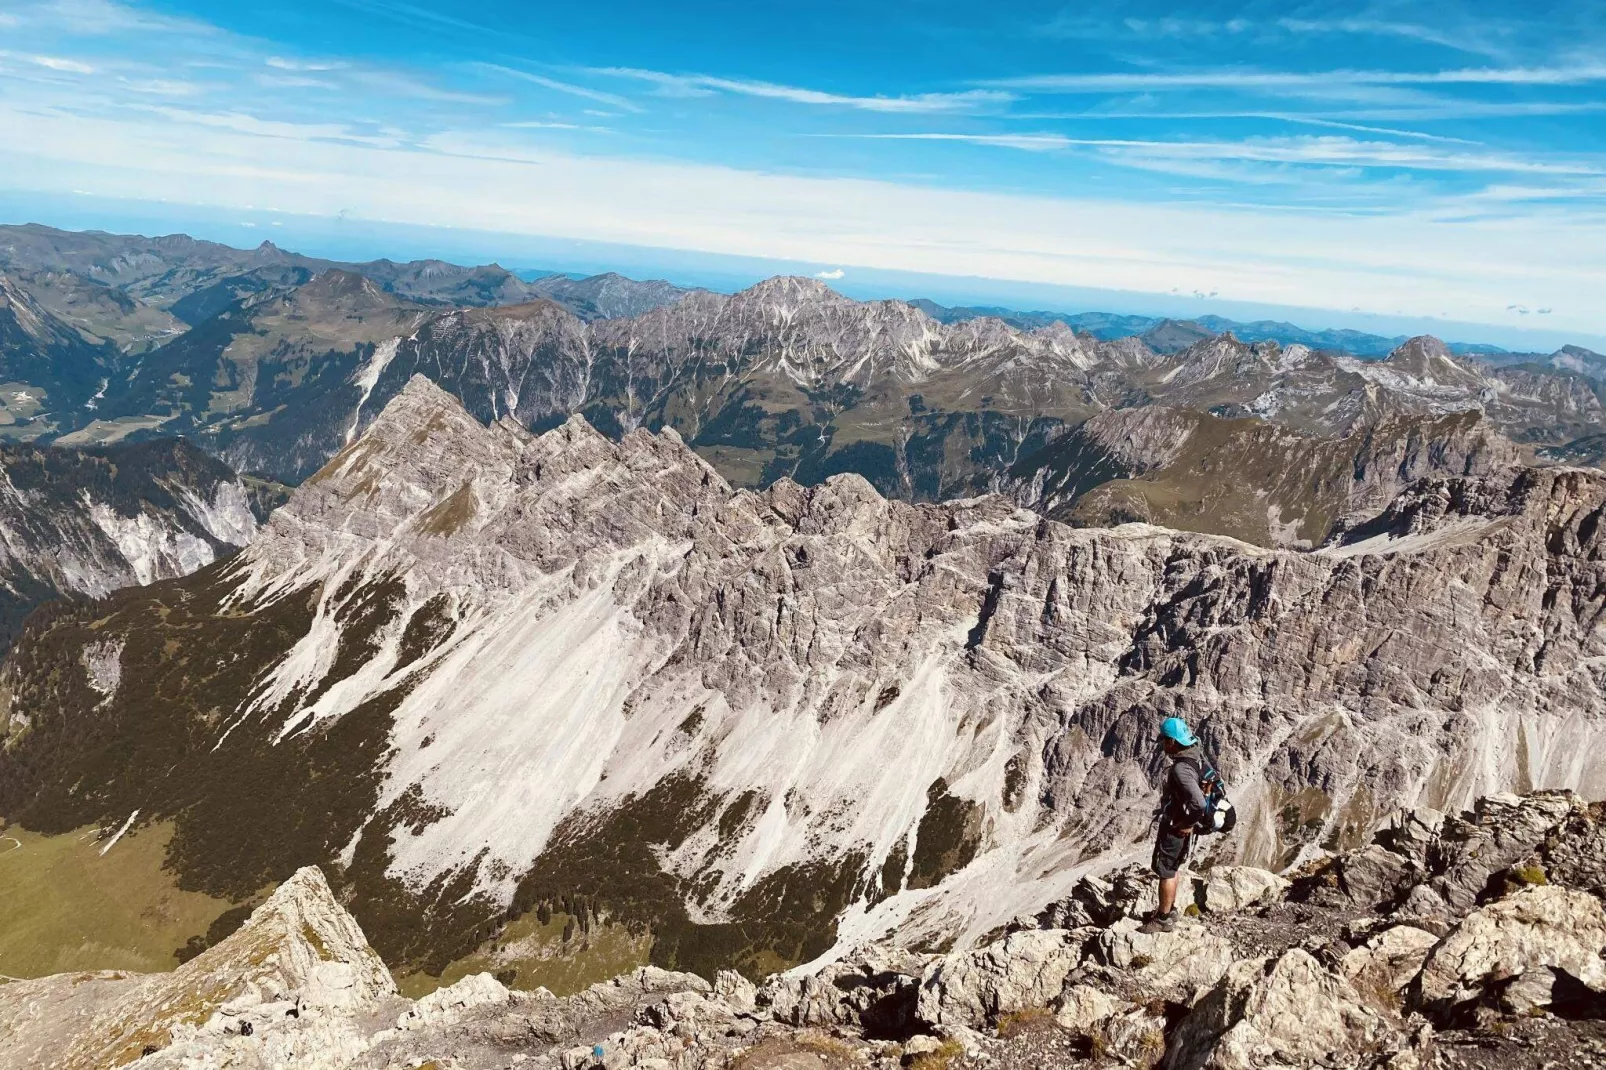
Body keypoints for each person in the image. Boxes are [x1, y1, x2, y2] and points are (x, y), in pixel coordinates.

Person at [1140, 716, 1209, 934]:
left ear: (1171, 741)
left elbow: (1198, 803)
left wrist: (1185, 824)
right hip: (1183, 825)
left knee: (1166, 870)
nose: (1162, 745)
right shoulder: (1196, 753)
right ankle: (1168, 909)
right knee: (1173, 868)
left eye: (1164, 741)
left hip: (1176, 826)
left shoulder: (1181, 769)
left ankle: (1162, 920)